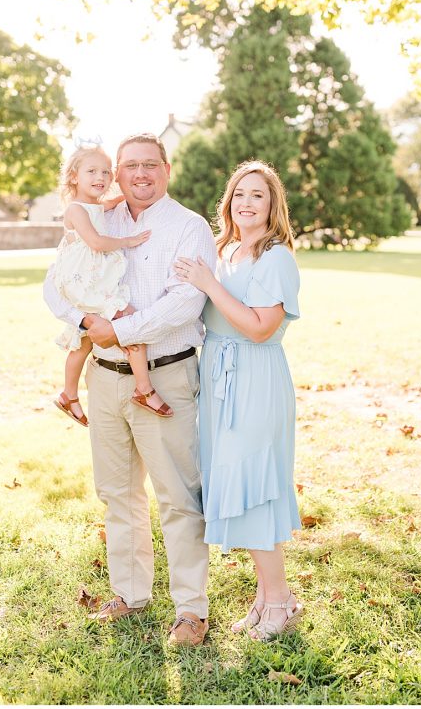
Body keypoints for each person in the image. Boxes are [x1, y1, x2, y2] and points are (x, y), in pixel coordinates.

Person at [44, 132, 217, 645]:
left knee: (177, 497)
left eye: (150, 165)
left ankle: (191, 610)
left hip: (166, 372)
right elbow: (56, 281)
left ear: (167, 169)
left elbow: (185, 303)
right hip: (104, 375)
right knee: (117, 493)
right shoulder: (99, 218)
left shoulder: (189, 227)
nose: (139, 175)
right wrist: (85, 321)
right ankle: (130, 593)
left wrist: (119, 330)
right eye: (129, 167)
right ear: (116, 174)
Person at [174, 161, 303, 641]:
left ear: (273, 206)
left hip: (255, 377)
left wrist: (207, 284)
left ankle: (281, 600)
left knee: (256, 488)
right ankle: (265, 596)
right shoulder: (224, 251)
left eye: (259, 196)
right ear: (229, 201)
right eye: (240, 194)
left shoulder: (277, 258)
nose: (247, 203)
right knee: (234, 484)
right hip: (218, 379)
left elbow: (259, 325)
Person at [50, 144, 172, 427]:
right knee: (130, 324)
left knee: (82, 340)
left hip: (89, 280)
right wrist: (128, 241)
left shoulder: (93, 206)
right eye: (91, 171)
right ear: (73, 177)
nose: (100, 177)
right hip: (86, 282)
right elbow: (96, 242)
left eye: (106, 172)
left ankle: (69, 394)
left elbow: (108, 204)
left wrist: (126, 196)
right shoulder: (76, 210)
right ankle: (145, 390)